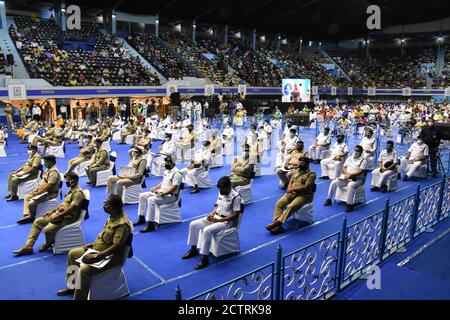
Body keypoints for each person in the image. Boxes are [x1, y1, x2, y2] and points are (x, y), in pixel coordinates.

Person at [57, 194, 132, 300]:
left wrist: (98, 255)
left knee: (84, 270)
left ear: (112, 208)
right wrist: (94, 245)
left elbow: (117, 247)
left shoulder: (122, 224)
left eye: (106, 204)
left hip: (111, 257)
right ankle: (72, 286)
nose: (104, 205)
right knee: (72, 254)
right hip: (98, 250)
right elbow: (105, 237)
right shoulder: (113, 216)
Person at [13, 172, 85, 256]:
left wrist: (58, 216)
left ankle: (48, 244)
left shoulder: (78, 193)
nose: (67, 182)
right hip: (59, 213)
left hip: (68, 217)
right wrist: (51, 211)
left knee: (48, 229)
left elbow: (70, 209)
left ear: (74, 181)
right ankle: (28, 246)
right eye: (66, 180)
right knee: (38, 221)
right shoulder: (71, 190)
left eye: (68, 180)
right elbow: (63, 204)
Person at [182, 176, 242, 269]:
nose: (221, 191)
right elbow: (217, 206)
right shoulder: (221, 192)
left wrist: (218, 220)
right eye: (219, 189)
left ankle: (204, 258)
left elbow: (235, 215)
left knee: (206, 231)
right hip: (216, 217)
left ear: (229, 186)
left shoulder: (236, 197)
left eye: (223, 189)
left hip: (226, 222)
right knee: (193, 224)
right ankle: (193, 249)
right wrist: (211, 214)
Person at [267, 157, 316, 235]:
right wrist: (289, 190)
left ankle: (277, 223)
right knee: (279, 203)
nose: (300, 164)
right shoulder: (296, 171)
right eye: (300, 163)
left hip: (304, 196)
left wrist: (293, 190)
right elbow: (290, 182)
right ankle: (278, 226)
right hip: (292, 193)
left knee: (291, 206)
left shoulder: (311, 174)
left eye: (303, 163)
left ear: (307, 164)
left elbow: (306, 187)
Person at [134, 156, 182, 232]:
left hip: (170, 196)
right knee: (142, 196)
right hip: (161, 193)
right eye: (165, 162)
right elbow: (164, 183)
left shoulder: (177, 173)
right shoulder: (167, 171)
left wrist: (163, 193)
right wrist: (155, 188)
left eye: (168, 162)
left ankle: (150, 224)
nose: (166, 164)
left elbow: (174, 188)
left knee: (151, 200)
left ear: (173, 163)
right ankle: (141, 217)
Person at [17, 155, 61, 224]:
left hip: (50, 193)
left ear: (51, 162)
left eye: (46, 162)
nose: (45, 163)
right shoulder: (48, 169)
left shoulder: (53, 172)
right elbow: (42, 181)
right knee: (26, 196)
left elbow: (49, 185)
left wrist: (38, 193)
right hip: (42, 191)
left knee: (31, 203)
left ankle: (32, 216)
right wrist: (37, 189)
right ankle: (27, 214)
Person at [324, 145, 367, 212]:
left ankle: (349, 204)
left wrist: (351, 175)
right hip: (346, 177)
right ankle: (329, 199)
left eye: (357, 151)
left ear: (361, 152)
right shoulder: (349, 158)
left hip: (357, 179)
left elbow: (361, 171)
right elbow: (344, 167)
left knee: (351, 185)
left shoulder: (363, 160)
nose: (356, 152)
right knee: (334, 182)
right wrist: (347, 174)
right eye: (355, 150)